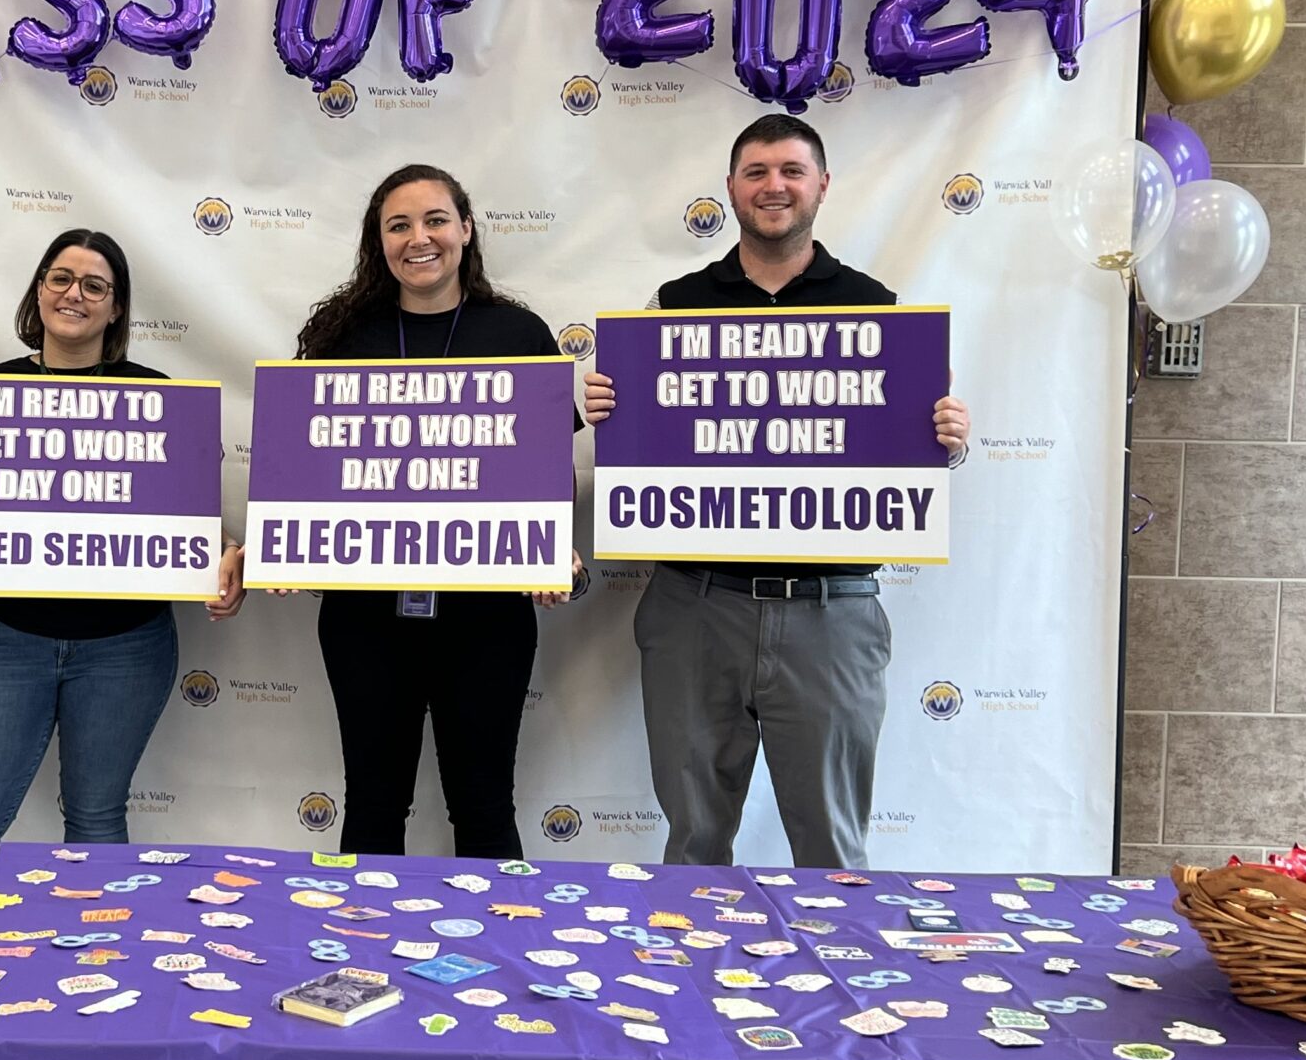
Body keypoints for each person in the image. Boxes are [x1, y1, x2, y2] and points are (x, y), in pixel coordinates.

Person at [582, 112, 969, 869]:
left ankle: (842, 985)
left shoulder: (874, 306)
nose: (774, 186)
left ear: (822, 185)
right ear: (730, 189)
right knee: (693, 843)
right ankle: (686, 983)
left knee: (830, 848)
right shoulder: (676, 303)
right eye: (756, 172)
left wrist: (944, 443)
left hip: (832, 612)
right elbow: (657, 446)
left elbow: (899, 456)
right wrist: (612, 413)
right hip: (696, 606)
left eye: (792, 170)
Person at [0, 230, 245, 843]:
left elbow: (189, 519)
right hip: (4, 640)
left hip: (126, 645)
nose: (76, 293)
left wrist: (225, 557)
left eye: (96, 285)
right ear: (40, 290)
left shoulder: (159, 397)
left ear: (116, 307)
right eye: (61, 279)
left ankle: (99, 943)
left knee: (97, 822)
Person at [295, 164, 581, 862]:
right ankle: (357, 964)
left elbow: (543, 473)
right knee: (371, 804)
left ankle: (500, 964)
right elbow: (307, 467)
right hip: (365, 615)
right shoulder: (342, 336)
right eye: (398, 225)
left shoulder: (518, 333)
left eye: (434, 221)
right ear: (378, 241)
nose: (418, 238)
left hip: (485, 617)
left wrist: (553, 547)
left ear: (466, 230)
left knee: (484, 807)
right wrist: (288, 542)